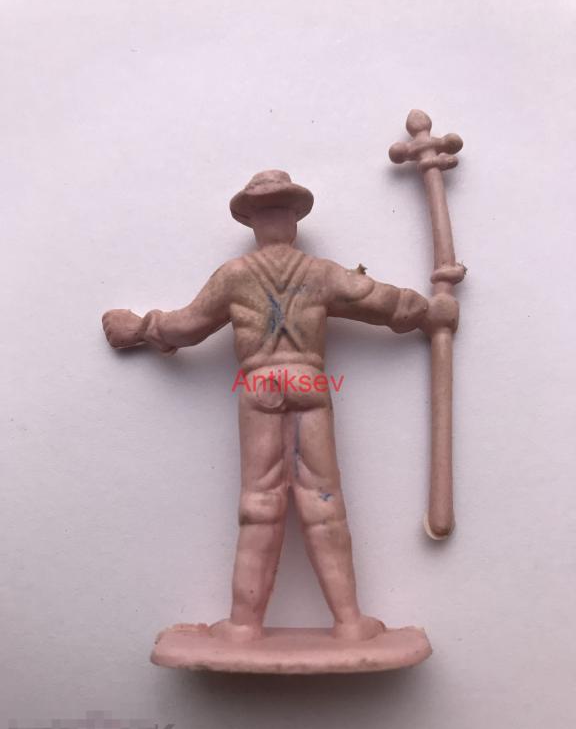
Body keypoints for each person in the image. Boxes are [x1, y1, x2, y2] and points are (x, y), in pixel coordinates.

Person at [103, 170, 462, 642]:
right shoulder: (320, 272)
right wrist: (429, 311)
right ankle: (349, 623)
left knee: (259, 503)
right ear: (293, 222)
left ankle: (244, 626)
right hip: (309, 383)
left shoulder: (234, 276)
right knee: (324, 501)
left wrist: (141, 327)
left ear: (253, 223)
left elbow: (185, 326)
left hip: (259, 386)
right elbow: (379, 299)